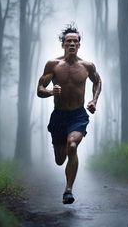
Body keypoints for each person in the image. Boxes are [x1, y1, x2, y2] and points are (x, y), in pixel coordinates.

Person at [37, 25, 102, 204]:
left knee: (72, 145)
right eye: (68, 41)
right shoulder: (53, 65)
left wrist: (93, 100)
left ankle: (68, 190)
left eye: (75, 41)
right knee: (60, 160)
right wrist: (51, 92)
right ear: (63, 44)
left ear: (79, 45)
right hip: (59, 116)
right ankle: (61, 146)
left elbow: (98, 81)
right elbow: (39, 89)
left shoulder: (87, 66)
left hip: (78, 116)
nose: (72, 43)